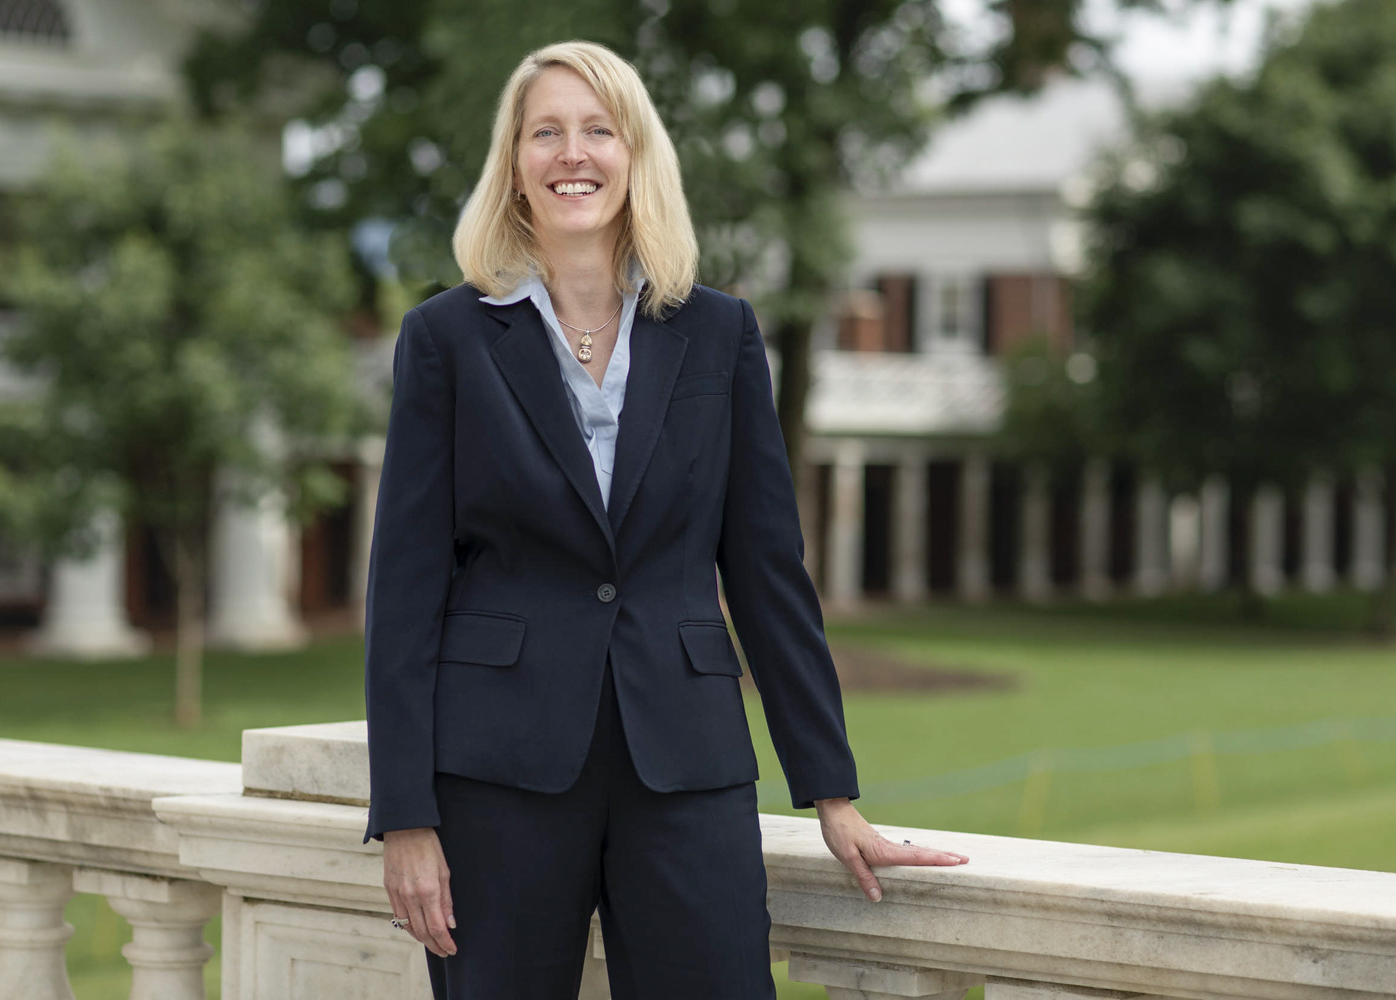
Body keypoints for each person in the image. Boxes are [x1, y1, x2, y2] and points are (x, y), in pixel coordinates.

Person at [362, 39, 969, 1000]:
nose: (574, 153)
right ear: (514, 166)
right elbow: (403, 591)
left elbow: (768, 569)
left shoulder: (720, 333)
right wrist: (404, 817)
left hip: (685, 767)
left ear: (637, 156)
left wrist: (832, 790)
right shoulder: (446, 339)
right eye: (547, 132)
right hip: (498, 779)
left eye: (600, 130)